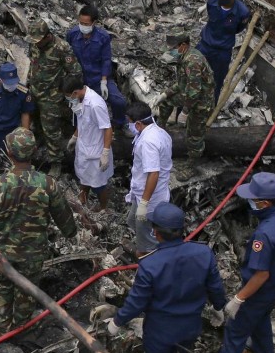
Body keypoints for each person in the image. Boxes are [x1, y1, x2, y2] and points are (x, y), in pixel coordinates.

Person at [0, 128, 77, 333]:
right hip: (34, 253)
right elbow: (66, 221)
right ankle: (22, 324)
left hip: (3, 253)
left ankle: (2, 325)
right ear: (33, 151)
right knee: (28, 288)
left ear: (9, 153)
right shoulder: (48, 184)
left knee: (2, 285)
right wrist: (71, 234)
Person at [107, 203, 227, 353]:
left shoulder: (150, 264)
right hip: (190, 327)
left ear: (155, 232)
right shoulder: (203, 253)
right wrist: (218, 306)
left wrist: (117, 321)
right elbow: (215, 286)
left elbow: (137, 302)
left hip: (160, 332)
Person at [219, 172, 275, 353]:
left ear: (264, 203)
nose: (250, 202)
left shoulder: (264, 235)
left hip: (260, 290)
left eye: (252, 199)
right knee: (260, 318)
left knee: (236, 328)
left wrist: (239, 299)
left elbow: (261, 274)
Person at [159, 29, 216, 180]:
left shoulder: (193, 61)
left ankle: (192, 166)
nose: (171, 51)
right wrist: (166, 93)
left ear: (183, 45)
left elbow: (195, 92)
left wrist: (184, 112)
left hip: (201, 102)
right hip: (189, 94)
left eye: (173, 48)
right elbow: (182, 84)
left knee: (194, 135)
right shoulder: (183, 58)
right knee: (165, 103)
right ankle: (159, 131)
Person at [28, 20, 81, 174]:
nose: (36, 44)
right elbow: (33, 64)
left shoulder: (62, 48)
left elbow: (75, 72)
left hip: (51, 97)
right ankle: (35, 148)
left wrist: (63, 93)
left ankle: (56, 163)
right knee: (35, 124)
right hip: (34, 92)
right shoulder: (34, 44)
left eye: (38, 41)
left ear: (47, 36)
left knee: (52, 130)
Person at [124, 102, 173, 256]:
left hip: (150, 197)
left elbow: (153, 173)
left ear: (138, 123)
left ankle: (147, 257)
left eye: (129, 122)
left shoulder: (148, 142)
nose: (128, 125)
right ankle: (145, 241)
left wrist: (144, 204)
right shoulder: (159, 132)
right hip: (146, 192)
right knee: (132, 221)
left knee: (146, 242)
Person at [66, 5, 126, 126]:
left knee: (119, 101)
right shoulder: (72, 34)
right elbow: (68, 55)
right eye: (81, 22)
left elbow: (106, 60)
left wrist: (104, 81)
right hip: (80, 79)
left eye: (86, 24)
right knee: (79, 107)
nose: (83, 26)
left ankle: (120, 124)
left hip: (99, 78)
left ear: (94, 23)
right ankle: (79, 130)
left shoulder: (102, 37)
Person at [196, 0, 251, 103]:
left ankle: (210, 109)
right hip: (204, 45)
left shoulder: (242, 13)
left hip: (222, 52)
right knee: (192, 74)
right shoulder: (212, 2)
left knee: (216, 82)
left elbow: (238, 29)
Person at [62, 75, 113, 209]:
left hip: (96, 151)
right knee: (84, 177)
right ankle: (82, 199)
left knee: (98, 184)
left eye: (69, 96)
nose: (69, 98)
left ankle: (103, 208)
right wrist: (74, 137)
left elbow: (108, 128)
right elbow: (83, 122)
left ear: (75, 92)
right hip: (84, 147)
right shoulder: (80, 99)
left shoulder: (95, 104)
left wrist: (105, 153)